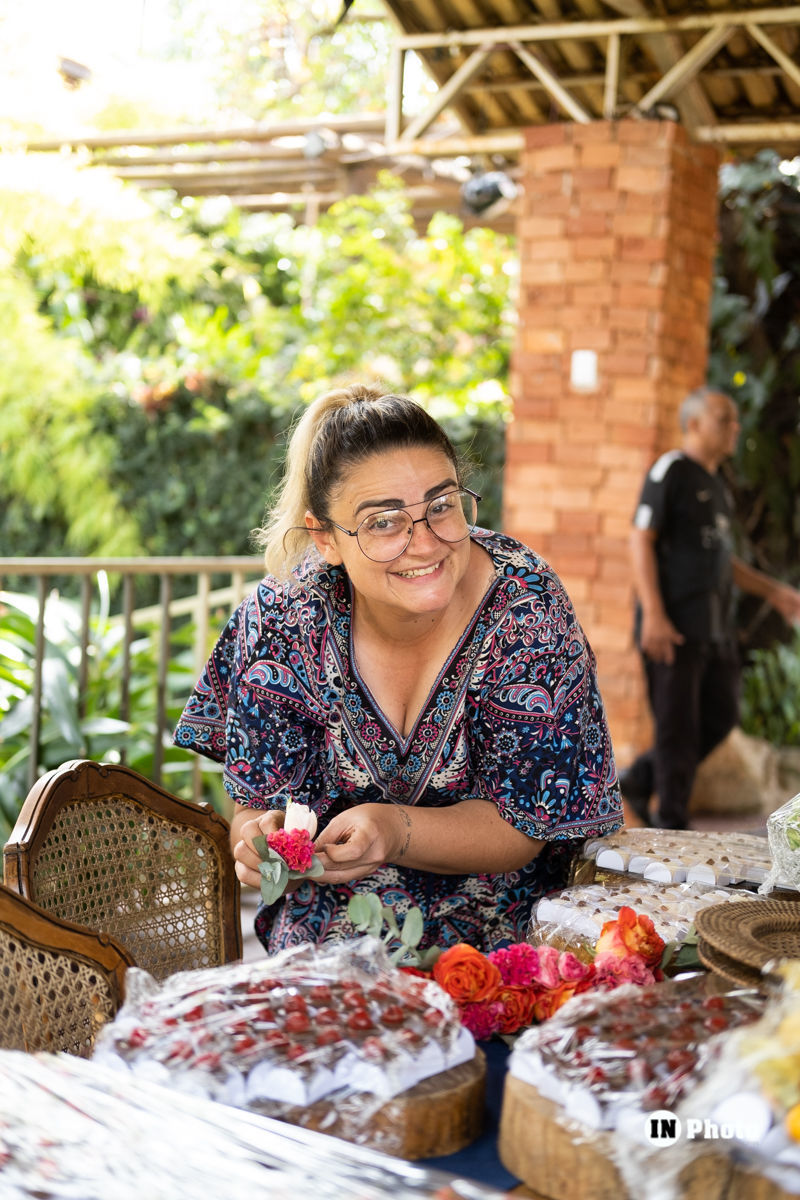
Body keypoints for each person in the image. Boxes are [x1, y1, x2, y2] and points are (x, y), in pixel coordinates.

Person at [174, 383, 622, 955]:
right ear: (325, 538)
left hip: (505, 930)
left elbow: (523, 826)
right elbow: (257, 808)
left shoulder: (526, 609)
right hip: (331, 932)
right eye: (384, 522)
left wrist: (394, 831)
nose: (426, 543)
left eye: (440, 506)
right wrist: (258, 844)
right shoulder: (281, 619)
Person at [620, 386, 800, 830]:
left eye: (735, 420)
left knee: (721, 717)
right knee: (677, 732)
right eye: (725, 419)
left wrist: (774, 591)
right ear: (695, 423)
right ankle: (671, 828)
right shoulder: (671, 470)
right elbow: (640, 538)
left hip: (714, 631)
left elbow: (724, 562)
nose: (735, 427)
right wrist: (655, 615)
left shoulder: (716, 485)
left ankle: (637, 782)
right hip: (673, 627)